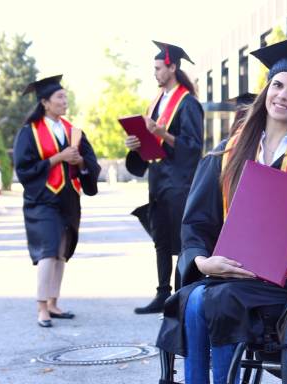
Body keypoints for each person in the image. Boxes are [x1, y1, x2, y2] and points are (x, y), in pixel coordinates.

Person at [155, 33, 287, 384]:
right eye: (278, 85)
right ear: (266, 90)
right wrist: (200, 261)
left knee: (217, 302)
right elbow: (196, 221)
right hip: (229, 271)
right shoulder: (228, 154)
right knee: (190, 300)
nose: (283, 95)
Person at [13, 75, 100, 328]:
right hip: (42, 200)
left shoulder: (72, 131)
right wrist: (58, 157)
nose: (65, 100)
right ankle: (41, 307)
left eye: (65, 96)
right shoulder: (29, 133)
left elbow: (89, 162)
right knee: (48, 250)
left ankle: (53, 302)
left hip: (69, 198)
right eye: (59, 97)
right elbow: (24, 168)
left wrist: (80, 162)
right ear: (45, 103)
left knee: (61, 252)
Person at [126, 41, 204, 314]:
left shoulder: (189, 103)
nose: (155, 73)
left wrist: (161, 133)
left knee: (181, 242)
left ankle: (181, 297)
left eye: (158, 68)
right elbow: (154, 145)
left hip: (180, 182)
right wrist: (138, 143)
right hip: (158, 180)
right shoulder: (156, 103)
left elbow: (194, 147)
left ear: (172, 67)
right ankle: (162, 294)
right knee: (160, 239)